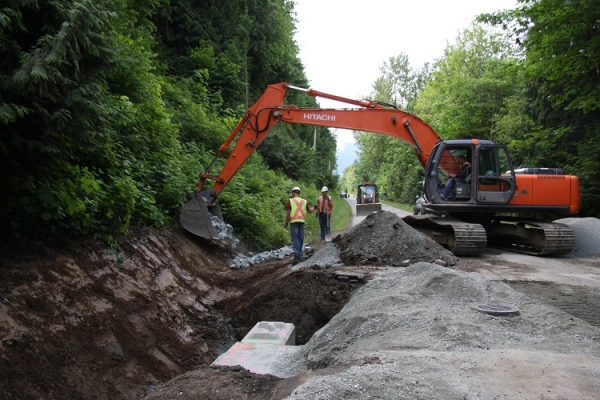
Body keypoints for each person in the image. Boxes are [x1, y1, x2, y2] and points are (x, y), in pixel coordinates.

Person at [284, 186, 315, 264]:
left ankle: (297, 255)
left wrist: (286, 222)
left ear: (293, 193)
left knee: (295, 238)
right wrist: (314, 207)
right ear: (299, 193)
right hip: (301, 221)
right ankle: (299, 254)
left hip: (294, 222)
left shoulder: (290, 201)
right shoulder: (304, 201)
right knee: (300, 238)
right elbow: (310, 211)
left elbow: (288, 213)